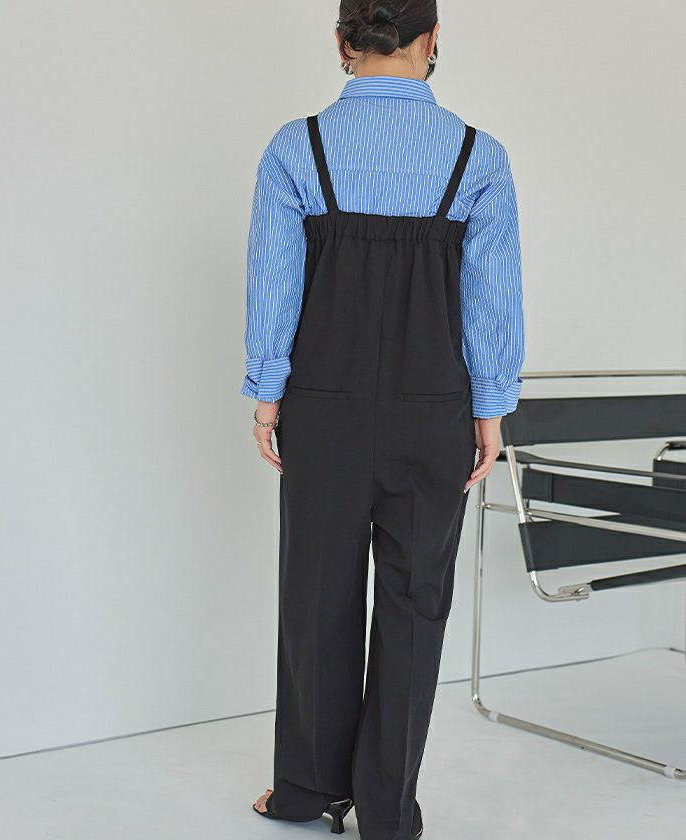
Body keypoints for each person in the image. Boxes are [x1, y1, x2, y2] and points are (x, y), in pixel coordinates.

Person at [241, 2, 524, 838]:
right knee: (415, 601)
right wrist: (490, 409)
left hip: (322, 407)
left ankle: (306, 792)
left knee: (316, 596)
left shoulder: (298, 147)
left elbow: (274, 281)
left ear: (342, 41)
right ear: (433, 41)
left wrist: (268, 392)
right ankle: (389, 812)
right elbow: (492, 295)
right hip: (434, 408)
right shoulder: (478, 155)